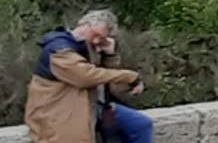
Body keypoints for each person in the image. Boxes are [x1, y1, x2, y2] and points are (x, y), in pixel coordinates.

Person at [26, 8, 151, 143]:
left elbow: (112, 85)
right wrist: (130, 76)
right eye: (96, 35)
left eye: (102, 38)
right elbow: (87, 77)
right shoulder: (59, 50)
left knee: (140, 124)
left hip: (95, 106)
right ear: (85, 25)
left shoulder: (89, 47)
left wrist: (110, 55)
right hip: (61, 112)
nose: (97, 41)